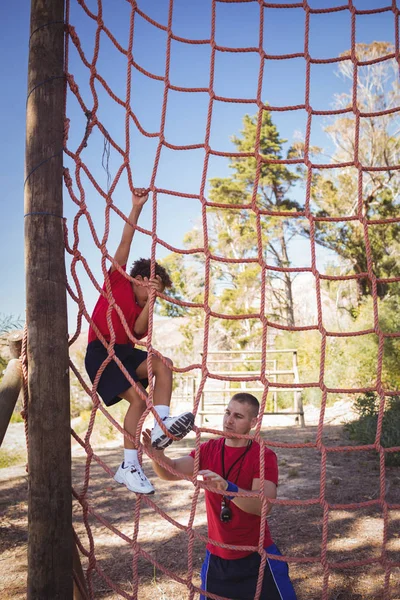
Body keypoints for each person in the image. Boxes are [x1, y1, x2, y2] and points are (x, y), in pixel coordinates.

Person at [85, 188, 194, 495]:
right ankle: (129, 465)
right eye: (153, 284)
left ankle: (161, 423)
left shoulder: (142, 304)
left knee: (162, 364)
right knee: (135, 398)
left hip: (123, 350)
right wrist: (135, 208)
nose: (153, 289)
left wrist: (153, 300)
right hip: (99, 352)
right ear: (141, 277)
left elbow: (137, 331)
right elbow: (125, 241)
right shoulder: (117, 278)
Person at [143, 392, 297, 600]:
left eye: (238, 416)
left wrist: (227, 488)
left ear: (253, 422)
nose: (229, 420)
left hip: (258, 557)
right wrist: (158, 455)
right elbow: (171, 471)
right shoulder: (209, 449)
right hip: (217, 559)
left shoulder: (264, 455)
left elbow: (264, 505)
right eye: (227, 413)